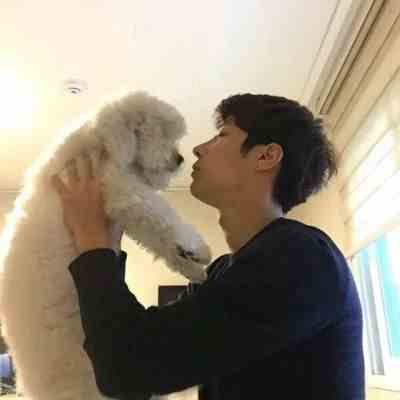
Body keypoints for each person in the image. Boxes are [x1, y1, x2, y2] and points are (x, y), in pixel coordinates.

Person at [52, 93, 365, 400]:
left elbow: (126, 367)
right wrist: (105, 242)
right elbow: (134, 356)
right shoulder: (223, 272)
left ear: (265, 156)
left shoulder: (302, 258)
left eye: (221, 135)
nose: (198, 149)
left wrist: (93, 241)